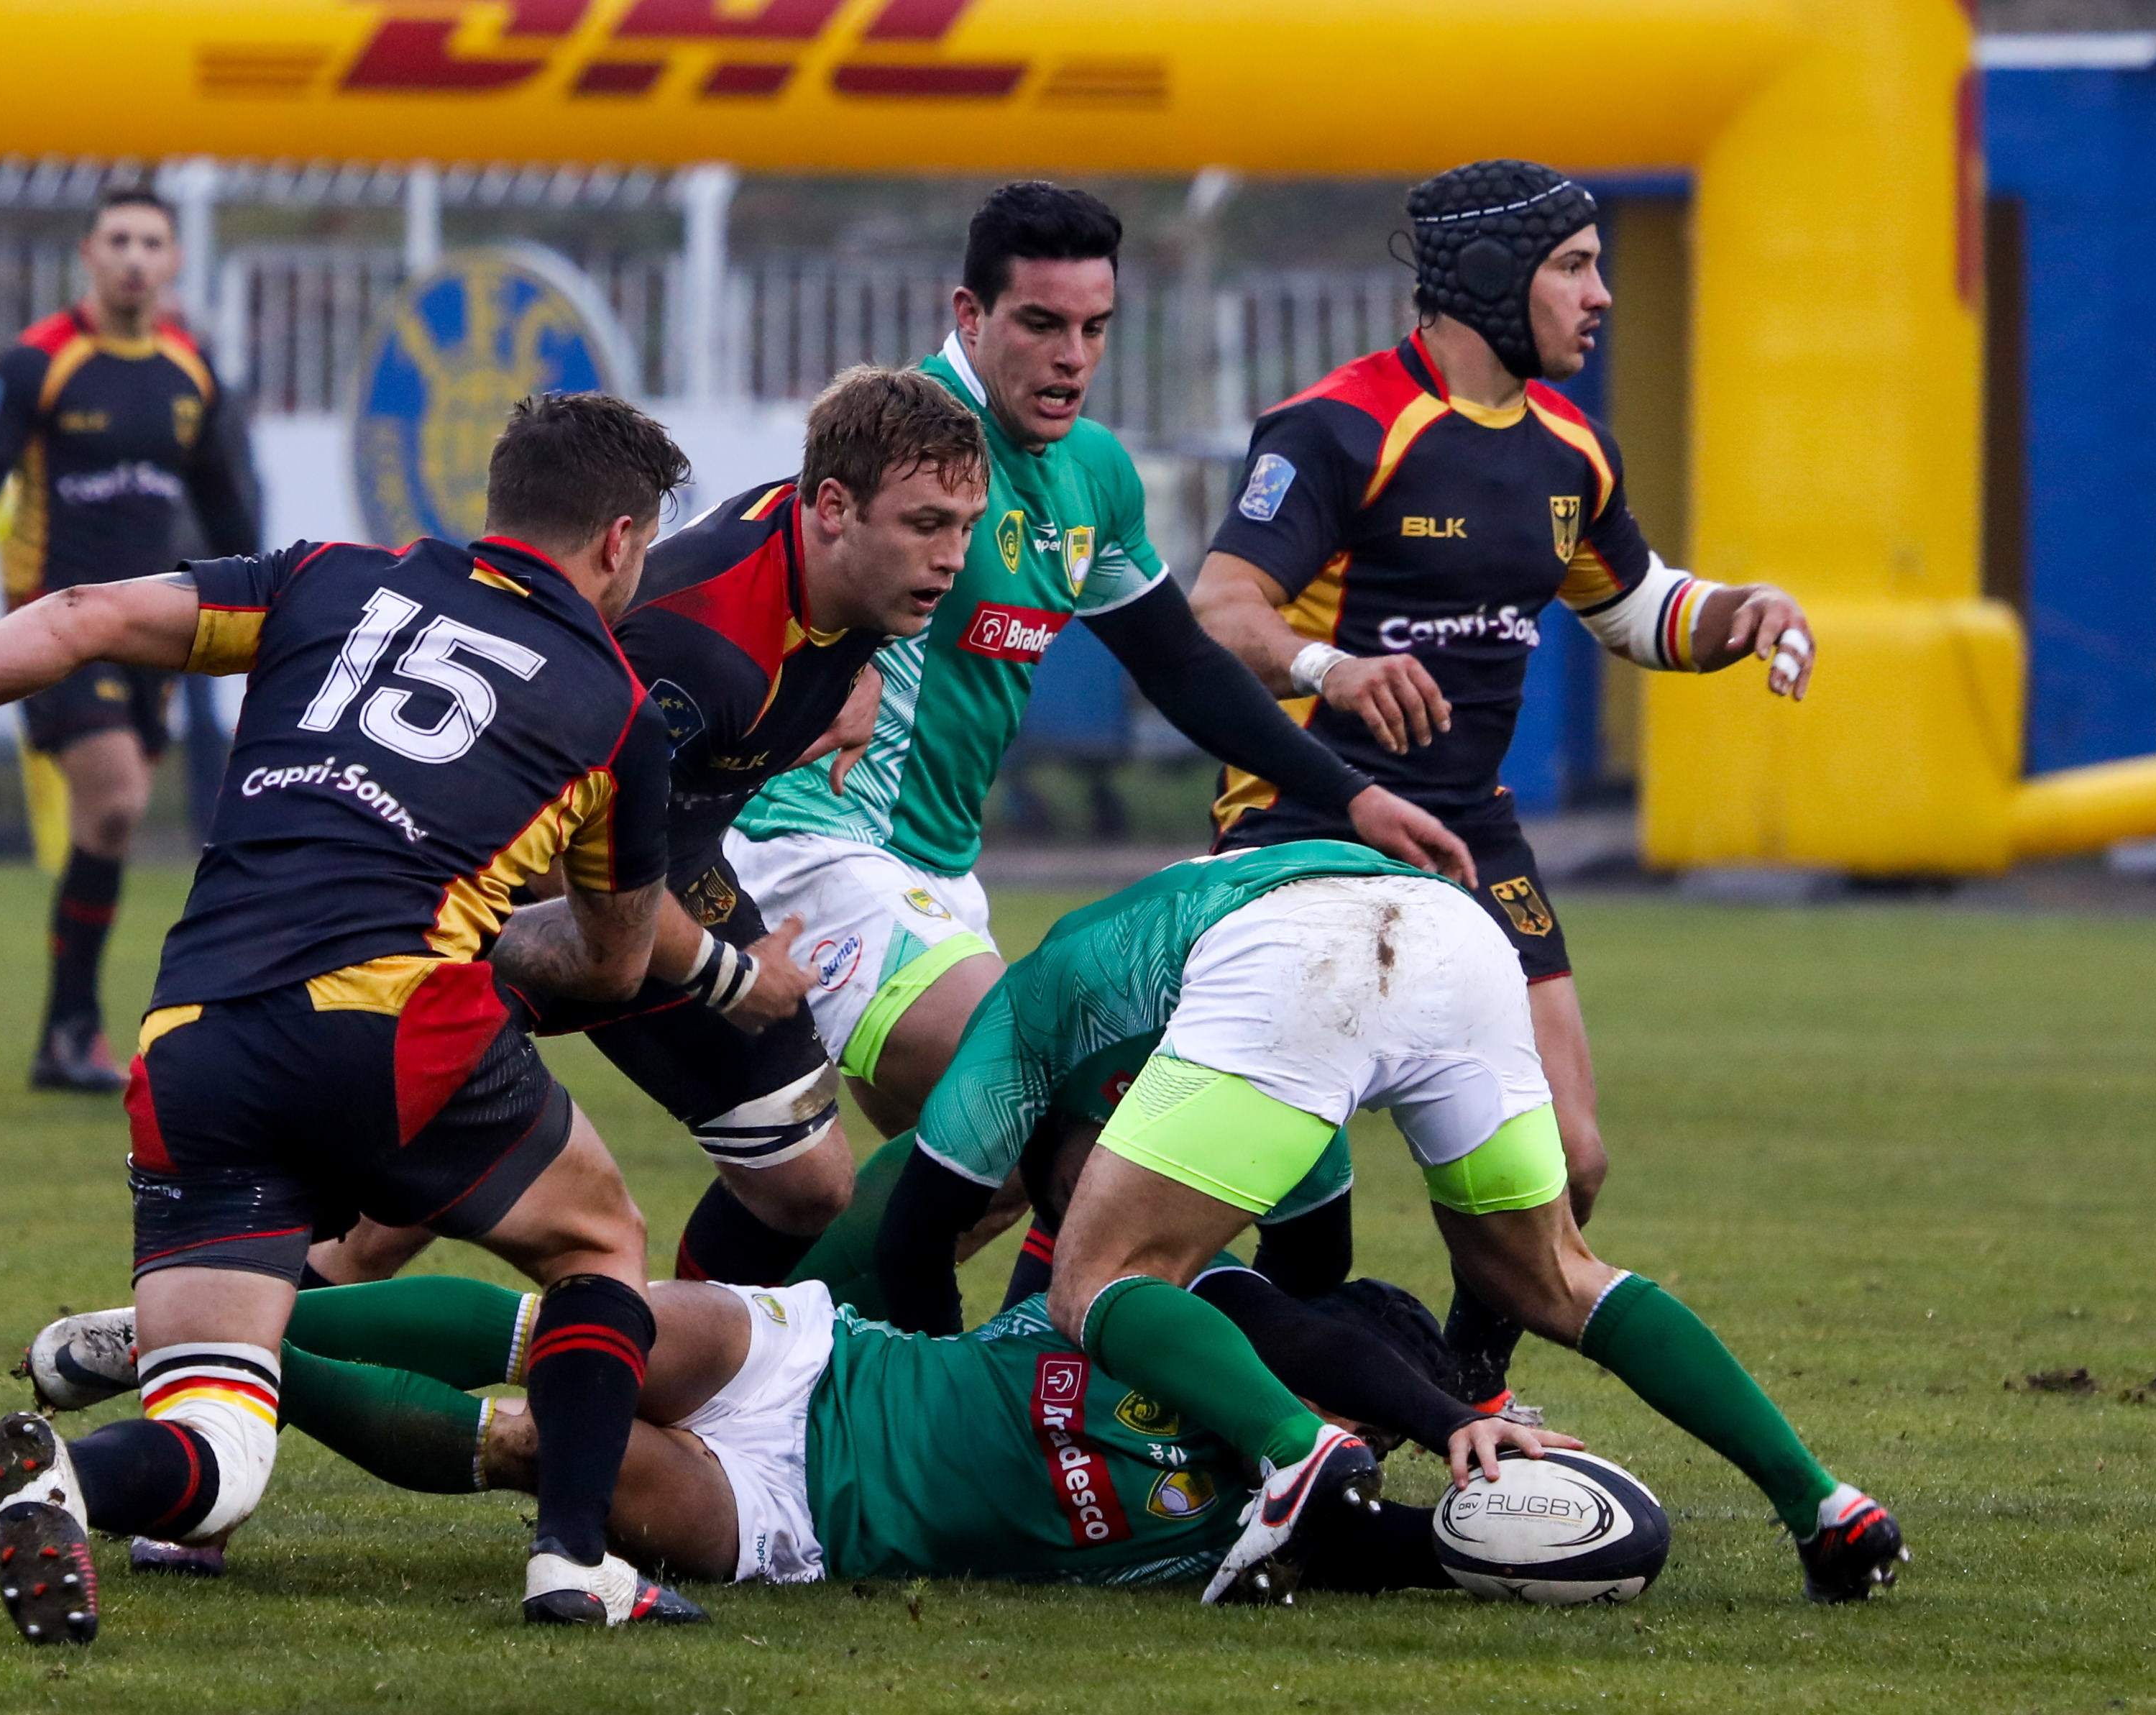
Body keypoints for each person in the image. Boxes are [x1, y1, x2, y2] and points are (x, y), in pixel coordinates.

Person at [0, 392, 707, 1638]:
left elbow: (82, 613)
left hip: (196, 1041)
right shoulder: (616, 708)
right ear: (618, 540)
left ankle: (69, 1480)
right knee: (598, 1241)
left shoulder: (324, 578)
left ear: (496, 503)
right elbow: (613, 961)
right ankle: (574, 1563)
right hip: (391, 1026)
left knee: (221, 1443)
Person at [861, 844, 1907, 1604]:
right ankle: (1823, 1506)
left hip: (1290, 953)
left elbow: (912, 1240)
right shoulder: (1217, 1070)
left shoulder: (1020, 1029)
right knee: (1552, 1276)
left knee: (1092, 1281)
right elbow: (1308, 1274)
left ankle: (1298, 1459)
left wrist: (947, 1401)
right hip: (1449, 933)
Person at [1188, 159, 1820, 1416]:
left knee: (1570, 1162)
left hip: (1470, 835)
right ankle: (1191, 1371)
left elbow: (1637, 610)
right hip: (1302, 821)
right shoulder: (1336, 428)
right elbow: (1218, 607)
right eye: (1573, 267)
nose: (1600, 296)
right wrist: (1329, 667)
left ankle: (1466, 1386)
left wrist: (1740, 610)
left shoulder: (1571, 450)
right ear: (1487, 274)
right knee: (1264, 1177)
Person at [728, 181, 1477, 1141]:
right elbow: (758, 564)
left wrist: (1353, 795)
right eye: (1041, 324)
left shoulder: (1092, 472)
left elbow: (1177, 663)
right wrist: (831, 662)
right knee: (1051, 1110)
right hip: (818, 840)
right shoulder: (900, 438)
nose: (1071, 356)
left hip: (939, 866)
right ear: (970, 315)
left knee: (951, 1180)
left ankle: (808, 1257)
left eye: (1094, 328)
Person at [315, 365, 990, 1292]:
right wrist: (714, 971)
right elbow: (562, 852)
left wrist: (858, 679)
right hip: (528, 892)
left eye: (966, 527)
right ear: (834, 508)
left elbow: (836, 629)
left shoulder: (851, 561)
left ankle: (695, 1365)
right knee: (418, 1188)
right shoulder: (694, 650)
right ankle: (225, 1328)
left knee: (806, 1187)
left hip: (678, 866)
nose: (952, 557)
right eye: (927, 525)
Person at [18, 1269, 1567, 1601]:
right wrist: (1426, 1415)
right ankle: (228, 1317)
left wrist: (1498, 1473)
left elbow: (1445, 1559)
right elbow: (1279, 1328)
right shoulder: (1216, 1331)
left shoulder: (1266, 1534)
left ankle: (213, 1356)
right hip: (818, 1365)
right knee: (590, 1321)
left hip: (801, 1521)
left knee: (526, 1442)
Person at [0, 187, 260, 1092]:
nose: (133, 257)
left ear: (174, 261)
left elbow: (228, 508)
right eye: (117, 239)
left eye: (150, 242)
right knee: (119, 798)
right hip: (51, 624)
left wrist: (269, 609)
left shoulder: (191, 372)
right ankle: (72, 1029)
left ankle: (65, 1032)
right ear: (87, 253)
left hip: (149, 630)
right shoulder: (37, 362)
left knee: (106, 826)